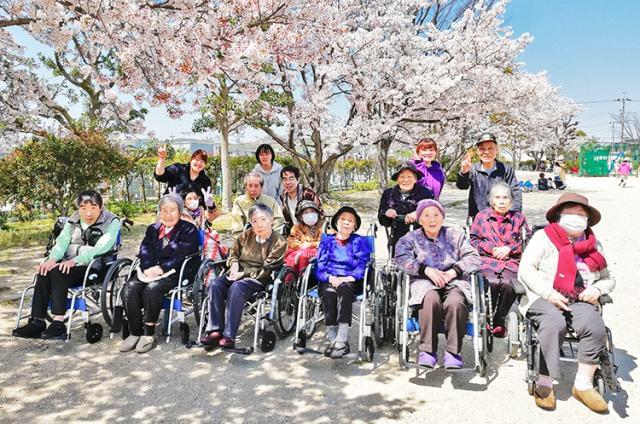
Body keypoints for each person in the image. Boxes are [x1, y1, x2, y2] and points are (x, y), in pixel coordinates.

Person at [517, 193, 614, 413]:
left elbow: (609, 278)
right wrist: (548, 292)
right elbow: (526, 269)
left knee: (594, 325)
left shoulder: (593, 243)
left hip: (579, 298)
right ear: (559, 216)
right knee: (553, 323)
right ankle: (544, 382)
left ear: (588, 220)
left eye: (581, 214)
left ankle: (583, 385)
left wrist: (597, 289)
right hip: (543, 296)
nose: (576, 218)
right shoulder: (543, 237)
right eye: (570, 213)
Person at [13, 190, 121, 339]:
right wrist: (52, 260)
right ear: (78, 208)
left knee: (58, 273)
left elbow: (103, 247)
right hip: (69, 265)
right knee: (45, 271)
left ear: (101, 207)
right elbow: (62, 242)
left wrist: (75, 261)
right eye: (83, 208)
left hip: (96, 265)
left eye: (93, 208)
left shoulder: (112, 220)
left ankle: (58, 323)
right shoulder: (73, 220)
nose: (88, 213)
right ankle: (37, 321)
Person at [394, 199, 481, 369]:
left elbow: (474, 258)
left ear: (442, 217)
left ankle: (453, 352)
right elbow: (400, 258)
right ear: (420, 219)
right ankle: (427, 351)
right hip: (424, 282)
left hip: (454, 281)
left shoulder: (454, 235)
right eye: (426, 215)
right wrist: (425, 270)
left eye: (436, 215)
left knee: (456, 302)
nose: (432, 219)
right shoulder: (410, 238)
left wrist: (453, 271)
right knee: (431, 300)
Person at [119, 195, 199, 353]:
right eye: (164, 210)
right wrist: (148, 267)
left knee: (152, 288)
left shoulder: (188, 229)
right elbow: (145, 250)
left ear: (180, 212)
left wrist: (161, 268)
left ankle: (148, 334)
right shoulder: (153, 229)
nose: (168, 214)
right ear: (159, 212)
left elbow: (182, 254)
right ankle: (135, 332)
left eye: (172, 211)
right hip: (150, 270)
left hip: (176, 271)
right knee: (130, 287)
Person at [199, 204, 287, 349]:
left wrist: (243, 273)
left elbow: (268, 267)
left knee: (236, 287)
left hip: (258, 278)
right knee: (215, 285)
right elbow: (233, 253)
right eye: (254, 221)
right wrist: (233, 264)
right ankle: (215, 330)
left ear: (271, 220)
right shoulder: (246, 235)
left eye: (263, 219)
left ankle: (229, 335)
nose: (259, 224)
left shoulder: (279, 241)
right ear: (250, 222)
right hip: (236, 273)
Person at [469, 183, 531, 337]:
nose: (502, 201)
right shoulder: (481, 217)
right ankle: (488, 317)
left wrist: (510, 249)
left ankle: (499, 318)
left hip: (511, 262)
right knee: (491, 283)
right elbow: (473, 241)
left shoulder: (519, 218)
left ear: (511, 201)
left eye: (505, 198)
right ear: (491, 200)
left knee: (511, 286)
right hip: (487, 261)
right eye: (498, 197)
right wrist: (492, 249)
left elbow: (528, 241)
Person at [316, 206, 372, 359]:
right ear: (336, 222)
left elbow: (362, 263)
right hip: (330, 279)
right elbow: (320, 265)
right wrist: (330, 278)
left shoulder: (359, 241)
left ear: (355, 226)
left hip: (350, 279)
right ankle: (333, 339)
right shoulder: (327, 241)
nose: (346, 223)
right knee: (328, 293)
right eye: (343, 219)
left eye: (350, 221)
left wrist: (349, 278)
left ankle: (341, 339)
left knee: (344, 291)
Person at [456, 132, 522, 219]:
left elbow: (515, 192)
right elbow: (462, 186)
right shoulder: (473, 169)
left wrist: (514, 215)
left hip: (501, 219)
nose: (486, 152)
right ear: (478, 151)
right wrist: (464, 173)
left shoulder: (506, 169)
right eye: (482, 149)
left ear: (497, 150)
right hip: (478, 220)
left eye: (490, 148)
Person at [378, 162, 434, 252]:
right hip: (396, 239)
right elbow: (382, 219)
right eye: (402, 177)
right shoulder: (388, 193)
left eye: (409, 177)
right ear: (397, 179)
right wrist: (387, 212)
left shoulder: (425, 193)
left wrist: (418, 213)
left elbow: (435, 213)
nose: (405, 180)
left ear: (415, 179)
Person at [183, 190, 227, 261]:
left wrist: (211, 205)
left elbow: (214, 215)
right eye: (189, 199)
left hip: (203, 240)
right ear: (184, 203)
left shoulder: (202, 212)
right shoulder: (181, 214)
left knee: (212, 240)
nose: (193, 201)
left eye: (195, 198)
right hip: (187, 240)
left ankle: (212, 267)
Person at [285, 200, 323, 275]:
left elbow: (326, 242)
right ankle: (297, 277)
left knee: (305, 255)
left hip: (319, 253)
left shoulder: (324, 225)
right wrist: (302, 247)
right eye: (306, 212)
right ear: (301, 217)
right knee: (296, 255)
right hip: (301, 252)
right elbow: (292, 242)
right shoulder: (297, 227)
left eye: (312, 211)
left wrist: (310, 245)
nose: (310, 215)